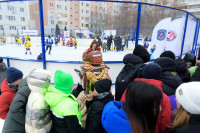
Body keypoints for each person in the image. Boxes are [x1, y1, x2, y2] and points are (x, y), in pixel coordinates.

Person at [121, 63, 172, 133]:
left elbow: (122, 110)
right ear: (159, 76)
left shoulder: (129, 90)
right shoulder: (163, 97)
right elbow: (164, 124)